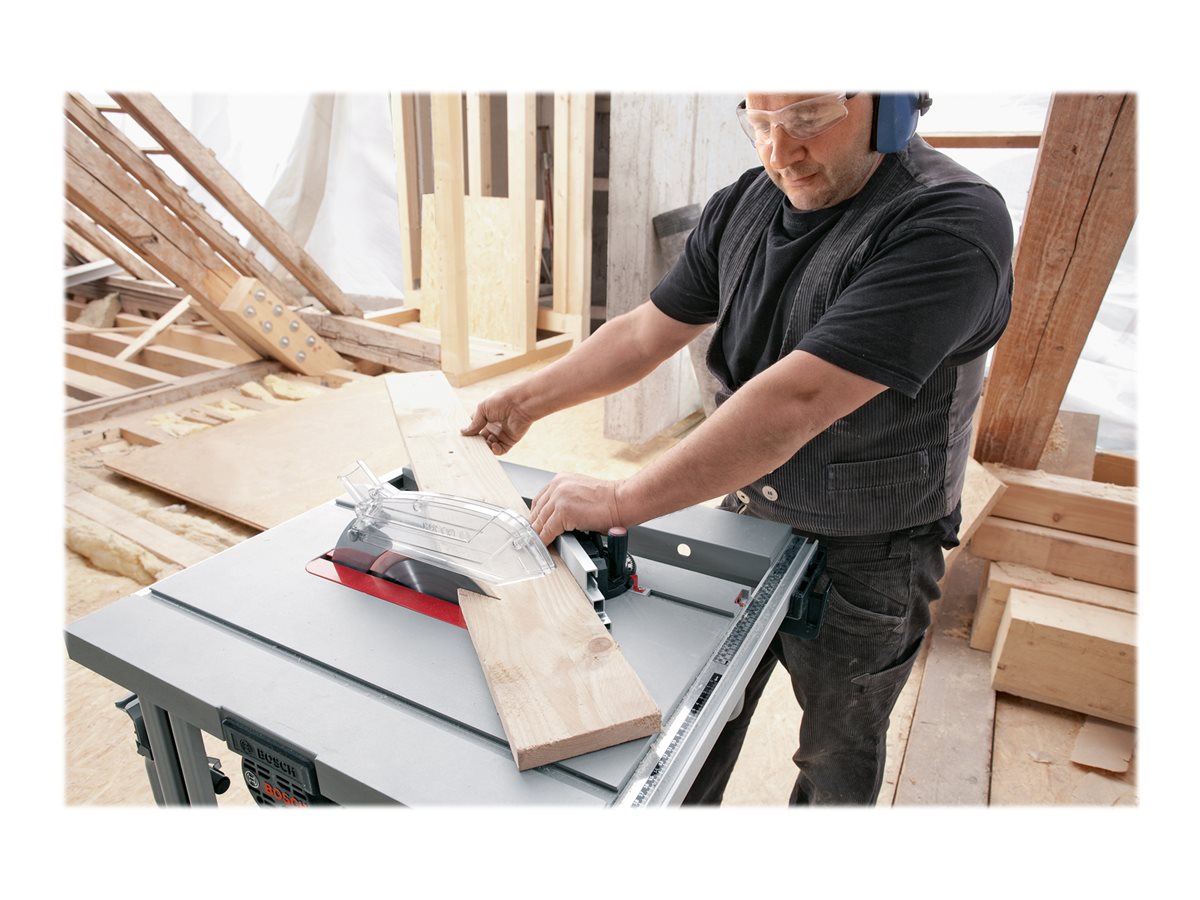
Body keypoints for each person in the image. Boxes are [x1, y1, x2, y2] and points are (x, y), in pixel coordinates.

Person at [462, 92, 1013, 805]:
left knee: (836, 750)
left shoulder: (951, 223)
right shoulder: (745, 205)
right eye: (761, 124)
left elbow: (799, 399)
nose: (781, 153)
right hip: (751, 513)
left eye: (808, 120)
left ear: (891, 104)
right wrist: (525, 401)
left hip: (875, 547)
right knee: (699, 720)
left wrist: (623, 499)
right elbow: (644, 333)